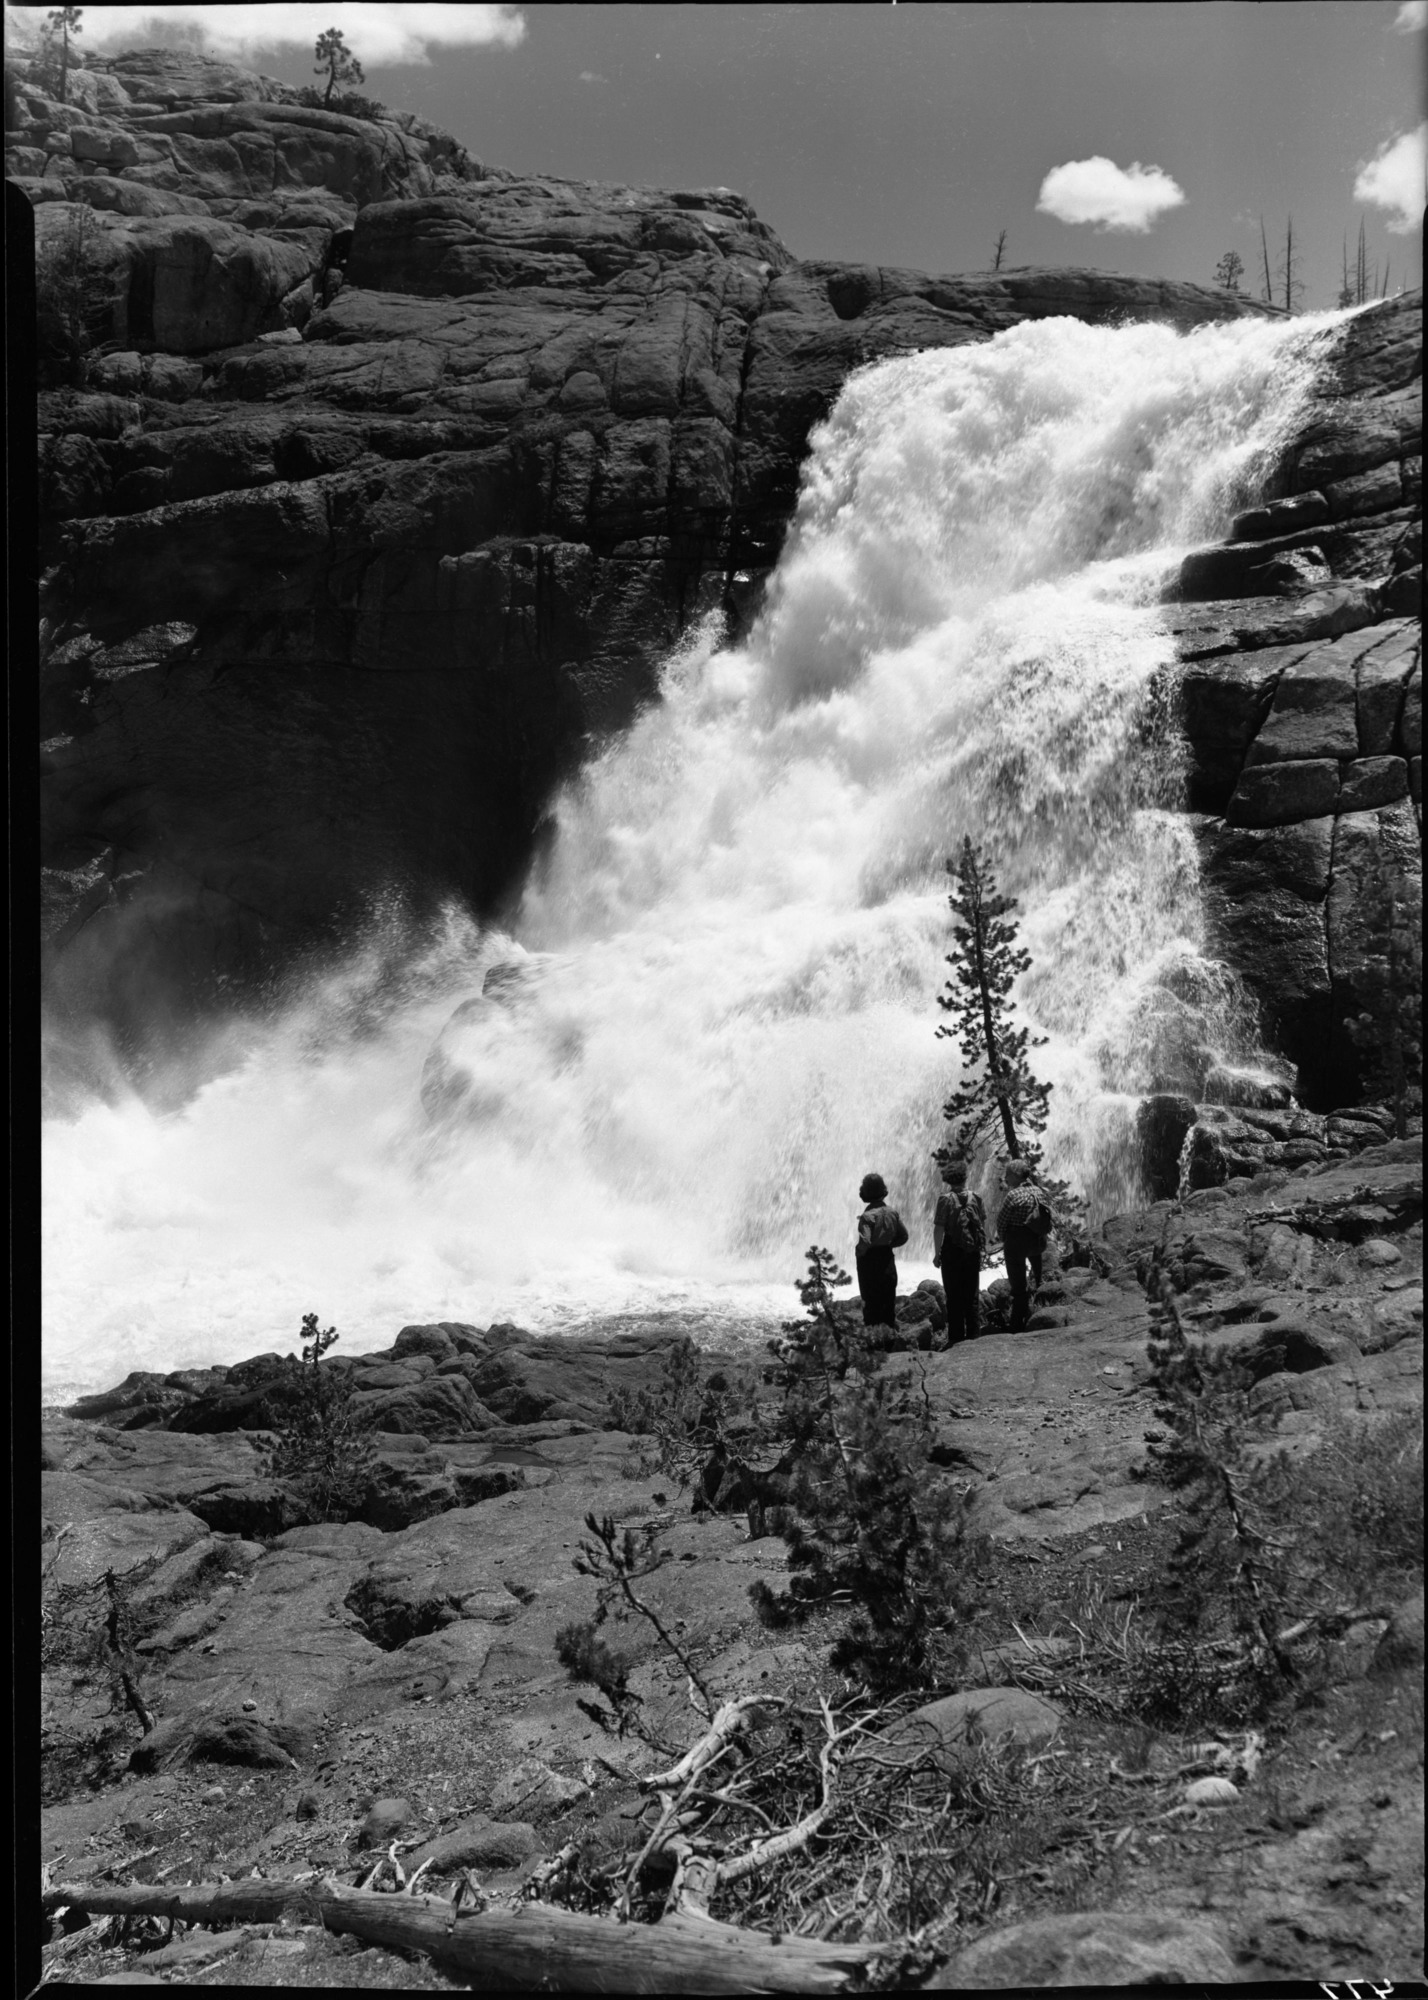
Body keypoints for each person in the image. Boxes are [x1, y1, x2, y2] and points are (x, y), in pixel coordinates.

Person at [996, 1159, 1054, 1333]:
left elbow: (1001, 1222)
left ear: (1015, 1175)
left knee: (1018, 1287)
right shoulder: (1039, 1191)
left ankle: (1016, 1324)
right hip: (1038, 1242)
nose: (1005, 1178)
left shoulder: (1013, 1195)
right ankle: (1039, 1303)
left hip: (1017, 1244)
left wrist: (1004, 1238)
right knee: (1036, 1275)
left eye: (1008, 1175)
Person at [933, 1161, 986, 1345]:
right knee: (972, 1294)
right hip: (972, 1250)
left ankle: (955, 1338)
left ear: (948, 1179)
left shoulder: (945, 1199)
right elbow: (982, 1224)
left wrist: (936, 1254)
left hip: (951, 1250)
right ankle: (974, 1335)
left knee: (953, 1295)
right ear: (965, 1177)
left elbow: (939, 1229)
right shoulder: (976, 1197)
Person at [855, 1172, 907, 1332]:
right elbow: (904, 1236)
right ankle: (889, 1342)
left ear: (865, 1193)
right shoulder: (892, 1213)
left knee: (871, 1303)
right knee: (887, 1299)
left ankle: (874, 1345)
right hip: (887, 1259)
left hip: (870, 1263)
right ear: (883, 1190)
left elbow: (866, 1241)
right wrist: (889, 1244)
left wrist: (859, 1252)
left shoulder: (868, 1216)